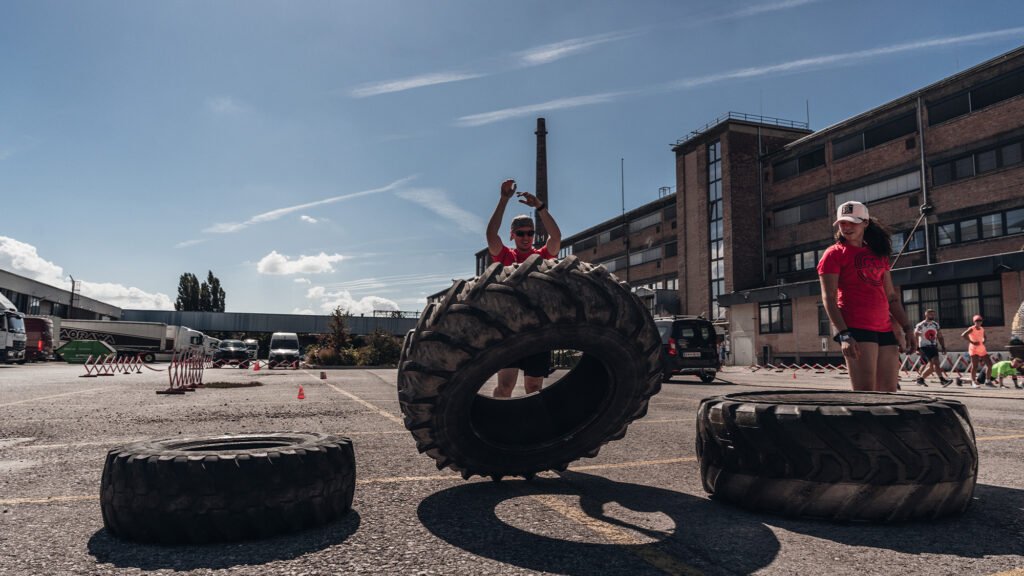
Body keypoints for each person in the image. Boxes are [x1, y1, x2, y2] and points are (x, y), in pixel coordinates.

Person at [818, 200, 916, 392]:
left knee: (889, 393)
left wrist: (907, 329)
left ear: (865, 223)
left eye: (852, 222)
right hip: (855, 328)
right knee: (866, 393)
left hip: (884, 328)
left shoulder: (879, 254)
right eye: (843, 223)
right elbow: (828, 297)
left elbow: (891, 296)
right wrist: (844, 334)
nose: (847, 227)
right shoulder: (833, 254)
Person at [485, 178, 562, 398]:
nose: (526, 237)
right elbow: (491, 235)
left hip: (538, 329)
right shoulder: (505, 256)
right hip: (509, 328)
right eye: (520, 233)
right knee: (505, 386)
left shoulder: (542, 256)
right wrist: (503, 200)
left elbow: (556, 237)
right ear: (512, 235)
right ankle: (498, 418)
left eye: (529, 233)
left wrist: (540, 207)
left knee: (534, 388)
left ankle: (533, 420)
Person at [914, 308, 953, 387]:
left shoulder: (935, 324)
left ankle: (920, 380)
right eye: (930, 314)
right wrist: (916, 348)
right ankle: (942, 380)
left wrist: (943, 346)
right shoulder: (921, 325)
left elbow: (940, 336)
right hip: (924, 347)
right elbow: (915, 337)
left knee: (932, 367)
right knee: (936, 362)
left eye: (933, 314)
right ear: (926, 315)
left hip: (933, 346)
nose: (932, 315)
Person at [962, 315, 995, 388]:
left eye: (980, 320)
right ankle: (973, 382)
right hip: (973, 349)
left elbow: (984, 336)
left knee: (989, 364)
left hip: (981, 348)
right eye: (977, 321)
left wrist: (984, 341)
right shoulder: (972, 328)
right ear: (974, 321)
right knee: (975, 366)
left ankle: (987, 381)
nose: (979, 322)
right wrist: (972, 342)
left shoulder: (982, 328)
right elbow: (963, 335)